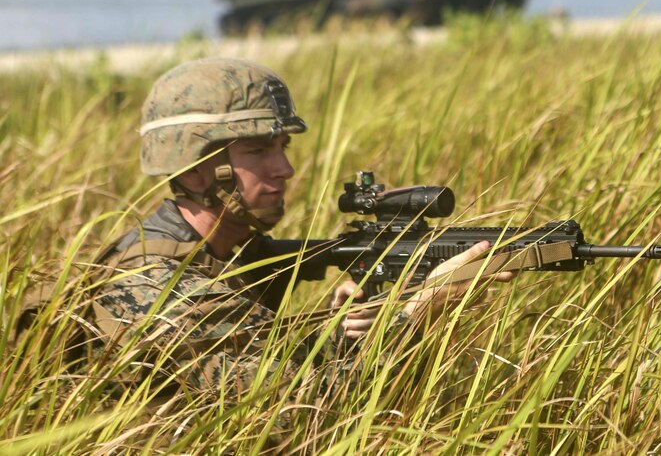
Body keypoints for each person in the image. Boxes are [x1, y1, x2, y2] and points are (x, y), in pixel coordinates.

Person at [81, 57, 511, 391]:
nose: (284, 168)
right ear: (194, 170)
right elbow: (294, 409)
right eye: (257, 151)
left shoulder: (227, 256)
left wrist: (347, 330)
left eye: (283, 146)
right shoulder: (153, 286)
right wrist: (417, 314)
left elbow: (265, 362)